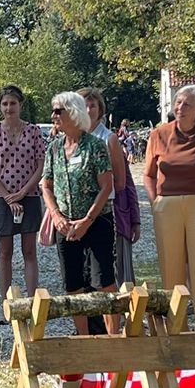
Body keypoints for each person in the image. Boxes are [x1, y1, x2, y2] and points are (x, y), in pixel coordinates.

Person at [144, 84, 195, 327]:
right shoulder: (158, 134)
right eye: (178, 102)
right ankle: (175, 328)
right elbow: (148, 174)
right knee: (171, 268)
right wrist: (154, 200)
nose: (180, 107)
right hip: (166, 204)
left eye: (187, 104)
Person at [42, 90, 115, 323]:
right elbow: (46, 185)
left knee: (104, 282)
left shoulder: (96, 146)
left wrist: (87, 220)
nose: (53, 115)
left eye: (57, 111)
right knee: (72, 284)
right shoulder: (53, 148)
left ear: (72, 113)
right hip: (64, 225)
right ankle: (82, 338)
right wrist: (56, 216)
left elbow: (106, 186)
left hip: (96, 222)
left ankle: (115, 341)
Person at [0, 86, 48, 306]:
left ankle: (32, 301)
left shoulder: (33, 131)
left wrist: (23, 192)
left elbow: (41, 165)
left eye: (12, 103)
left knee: (29, 250)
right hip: (2, 198)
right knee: (4, 252)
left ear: (20, 104)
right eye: (4, 103)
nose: (9, 107)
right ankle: (7, 302)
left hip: (28, 195)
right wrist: (8, 196)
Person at [81, 88, 138, 287]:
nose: (88, 110)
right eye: (84, 105)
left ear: (100, 109)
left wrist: (135, 219)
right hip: (79, 213)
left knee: (112, 271)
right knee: (85, 271)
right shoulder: (69, 139)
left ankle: (120, 316)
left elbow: (125, 183)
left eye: (92, 105)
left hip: (109, 211)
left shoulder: (108, 138)